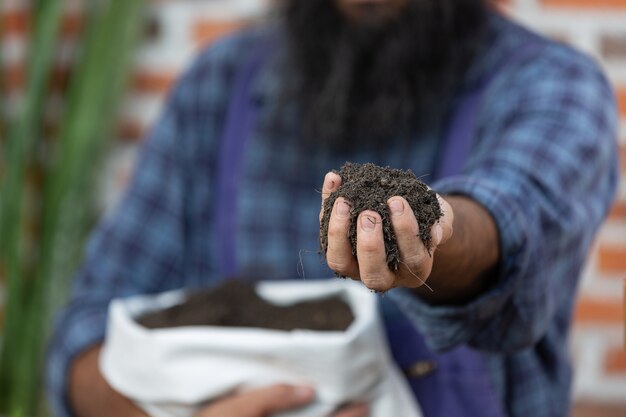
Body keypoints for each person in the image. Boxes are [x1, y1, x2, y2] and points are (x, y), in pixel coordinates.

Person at [46, 0, 619, 416]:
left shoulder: (551, 85)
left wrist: (433, 233)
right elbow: (81, 335)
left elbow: (513, 218)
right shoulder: (218, 89)